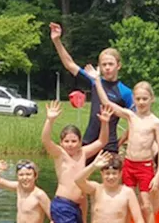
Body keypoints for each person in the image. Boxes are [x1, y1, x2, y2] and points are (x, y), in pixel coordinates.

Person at [88, 71, 159, 223]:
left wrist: (158, 174)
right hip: (129, 164)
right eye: (138, 99)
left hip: (145, 166)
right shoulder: (131, 116)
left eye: (145, 99)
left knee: (146, 204)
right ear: (134, 100)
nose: (141, 102)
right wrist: (97, 81)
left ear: (152, 99)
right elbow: (107, 102)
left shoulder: (156, 122)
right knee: (126, 204)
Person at [49, 21, 134, 154]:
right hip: (89, 142)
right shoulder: (95, 81)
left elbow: (134, 122)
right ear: (99, 66)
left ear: (118, 66)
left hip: (109, 145)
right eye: (104, 64)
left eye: (110, 64)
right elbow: (70, 65)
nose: (107, 67)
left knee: (109, 176)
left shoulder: (126, 92)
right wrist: (57, 41)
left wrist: (120, 142)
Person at [41, 99, 112, 223]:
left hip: (78, 207)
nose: (70, 144)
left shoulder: (83, 153)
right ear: (61, 143)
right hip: (63, 204)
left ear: (80, 142)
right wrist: (50, 120)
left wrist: (104, 123)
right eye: (66, 141)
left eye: (74, 141)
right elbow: (46, 140)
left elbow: (102, 141)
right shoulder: (59, 154)